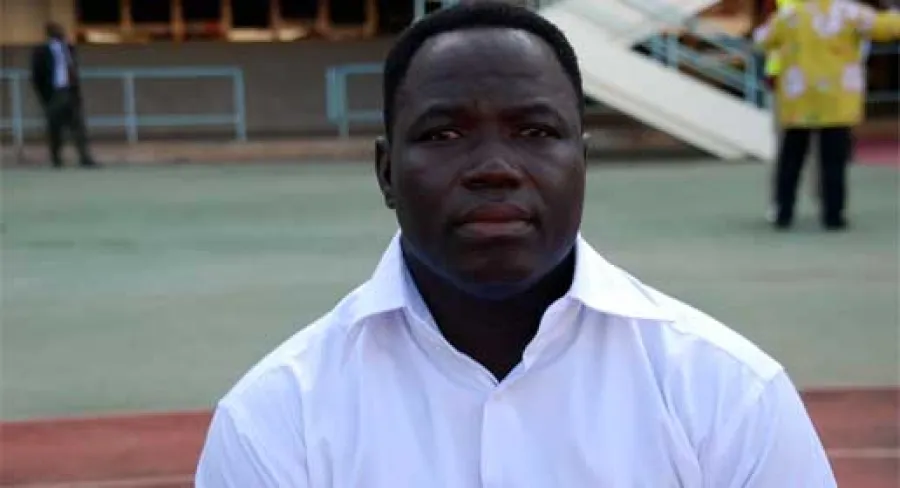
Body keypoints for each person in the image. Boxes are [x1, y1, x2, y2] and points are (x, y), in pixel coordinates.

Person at [196, 3, 835, 486]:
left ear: (582, 162)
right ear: (387, 173)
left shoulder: (726, 392)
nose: (494, 167)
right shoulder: (276, 419)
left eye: (535, 131)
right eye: (444, 135)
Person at [754, 0, 900, 230]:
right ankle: (833, 214)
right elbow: (886, 27)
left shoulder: (791, 14)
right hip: (836, 98)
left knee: (791, 159)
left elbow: (762, 39)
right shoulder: (848, 11)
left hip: (798, 96)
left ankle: (784, 211)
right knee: (833, 160)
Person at [30, 22, 98, 169]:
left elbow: (73, 69)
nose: (61, 33)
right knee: (55, 127)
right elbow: (37, 76)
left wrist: (76, 91)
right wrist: (45, 97)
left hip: (70, 91)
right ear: (50, 33)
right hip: (54, 93)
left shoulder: (69, 49)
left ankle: (85, 157)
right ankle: (56, 158)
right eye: (57, 31)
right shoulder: (41, 51)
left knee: (78, 125)